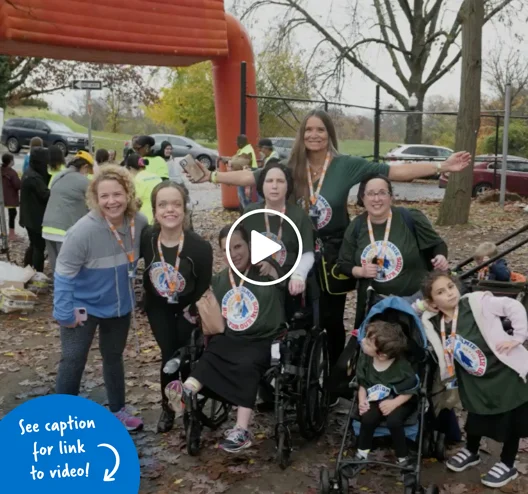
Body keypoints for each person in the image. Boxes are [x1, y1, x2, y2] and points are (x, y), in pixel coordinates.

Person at [186, 109, 471, 374]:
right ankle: (289, 374)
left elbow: (391, 171)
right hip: (294, 249)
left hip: (334, 255)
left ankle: (333, 379)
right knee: (292, 315)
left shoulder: (345, 166)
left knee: (332, 319)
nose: (314, 135)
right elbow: (251, 176)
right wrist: (212, 175)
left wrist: (439, 166)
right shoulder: (291, 166)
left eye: (320, 129)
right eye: (308, 129)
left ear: (329, 133)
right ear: (302, 134)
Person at [167, 224, 286, 453]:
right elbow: (209, 307)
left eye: (238, 246)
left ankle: (241, 430)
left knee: (248, 364)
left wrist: (274, 268)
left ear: (249, 246)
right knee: (210, 354)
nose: (234, 253)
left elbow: (289, 285)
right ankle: (186, 390)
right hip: (231, 337)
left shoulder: (266, 271)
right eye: (226, 249)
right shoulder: (221, 279)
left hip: (263, 339)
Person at [54, 165, 148, 432]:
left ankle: (118, 410)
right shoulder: (82, 231)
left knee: (113, 356)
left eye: (117, 194)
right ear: (95, 198)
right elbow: (63, 275)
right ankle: (61, 418)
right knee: (73, 359)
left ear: (128, 194)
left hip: (119, 307)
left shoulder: (139, 223)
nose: (111, 201)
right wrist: (64, 313)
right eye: (104, 196)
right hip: (83, 307)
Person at [421, 271, 528, 489]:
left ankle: (507, 463)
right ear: (433, 301)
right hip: (473, 379)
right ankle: (471, 451)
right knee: (476, 415)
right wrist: (423, 306)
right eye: (441, 292)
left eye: (450, 287)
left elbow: (513, 306)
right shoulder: (433, 320)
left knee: (511, 419)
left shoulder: (476, 302)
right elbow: (416, 312)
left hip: (503, 373)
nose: (450, 293)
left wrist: (518, 337)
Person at [141, 181, 213, 432]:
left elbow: (204, 284)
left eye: (176, 204)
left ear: (185, 209)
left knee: (187, 359)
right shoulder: (147, 238)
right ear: (155, 210)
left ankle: (191, 406)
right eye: (163, 205)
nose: (169, 210)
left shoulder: (199, 247)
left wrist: (193, 308)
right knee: (169, 356)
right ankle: (170, 407)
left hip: (187, 309)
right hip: (158, 308)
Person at [337, 174, 448, 327]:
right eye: (371, 194)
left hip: (416, 302)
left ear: (391, 197)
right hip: (376, 305)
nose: (377, 199)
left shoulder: (410, 218)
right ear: (362, 198)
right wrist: (360, 271)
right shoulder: (356, 226)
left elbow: (437, 244)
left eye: (382, 193)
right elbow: (343, 264)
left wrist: (440, 257)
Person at [241, 160, 314, 318]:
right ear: (262, 185)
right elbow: (238, 247)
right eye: (269, 181)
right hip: (254, 279)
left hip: (286, 282)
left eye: (280, 181)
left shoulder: (298, 216)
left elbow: (308, 252)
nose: (274, 186)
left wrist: (299, 275)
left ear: (288, 186)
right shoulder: (249, 213)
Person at [354, 320, 418, 470]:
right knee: (367, 418)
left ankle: (403, 456)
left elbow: (411, 389)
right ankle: (362, 451)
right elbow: (363, 384)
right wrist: (362, 401)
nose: (362, 341)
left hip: (401, 399)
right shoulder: (365, 359)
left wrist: (394, 403)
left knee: (394, 421)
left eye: (368, 343)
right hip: (375, 396)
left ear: (381, 355)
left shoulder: (402, 368)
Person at [42, 152, 94, 272]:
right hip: (64, 229)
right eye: (89, 171)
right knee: (68, 268)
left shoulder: (58, 176)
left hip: (47, 227)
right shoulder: (83, 181)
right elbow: (93, 205)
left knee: (56, 267)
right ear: (85, 167)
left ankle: (58, 290)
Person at [20, 147, 50, 272]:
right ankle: (37, 272)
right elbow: (46, 194)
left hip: (28, 217)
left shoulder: (29, 173)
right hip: (34, 218)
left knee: (33, 244)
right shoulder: (34, 177)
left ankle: (28, 267)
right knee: (39, 247)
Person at [124, 153, 162, 224]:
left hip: (145, 220)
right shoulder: (156, 176)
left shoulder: (135, 180)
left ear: (130, 168)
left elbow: (133, 202)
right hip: (160, 218)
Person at [1, 153, 21, 242]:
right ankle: (11, 234)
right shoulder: (12, 173)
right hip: (10, 197)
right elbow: (17, 185)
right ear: (10, 162)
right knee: (12, 214)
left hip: (2, 197)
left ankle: (3, 232)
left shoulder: (1, 170)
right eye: (13, 160)